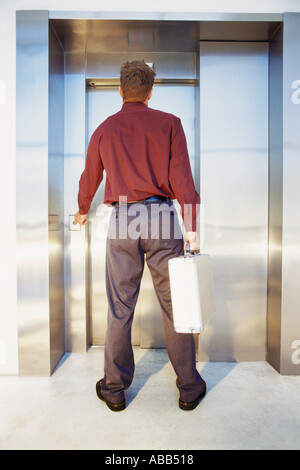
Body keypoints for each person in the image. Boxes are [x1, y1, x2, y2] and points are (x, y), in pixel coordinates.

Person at [74, 60, 206, 412]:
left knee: (120, 307)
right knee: (175, 305)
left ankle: (114, 390)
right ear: (150, 92)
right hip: (162, 216)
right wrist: (191, 228)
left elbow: (91, 176)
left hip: (123, 218)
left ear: (121, 91)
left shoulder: (105, 128)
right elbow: (183, 182)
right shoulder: (170, 124)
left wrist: (83, 209)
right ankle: (189, 389)